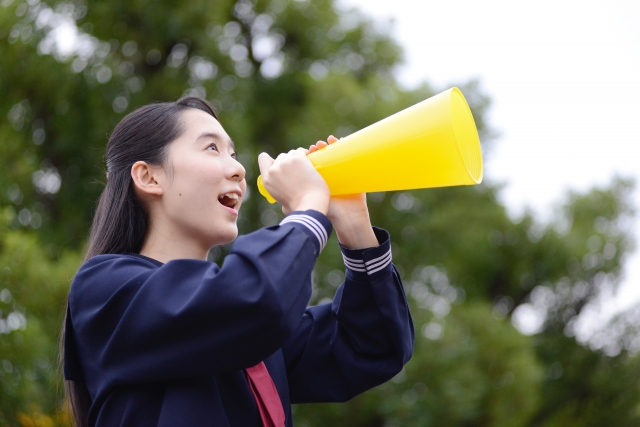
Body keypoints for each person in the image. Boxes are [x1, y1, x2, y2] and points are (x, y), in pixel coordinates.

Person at [62, 97, 414, 427]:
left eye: (234, 153)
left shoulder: (253, 338)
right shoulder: (104, 288)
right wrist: (306, 210)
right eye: (212, 147)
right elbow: (254, 301)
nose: (238, 170)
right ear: (149, 177)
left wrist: (352, 224)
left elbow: (372, 345)